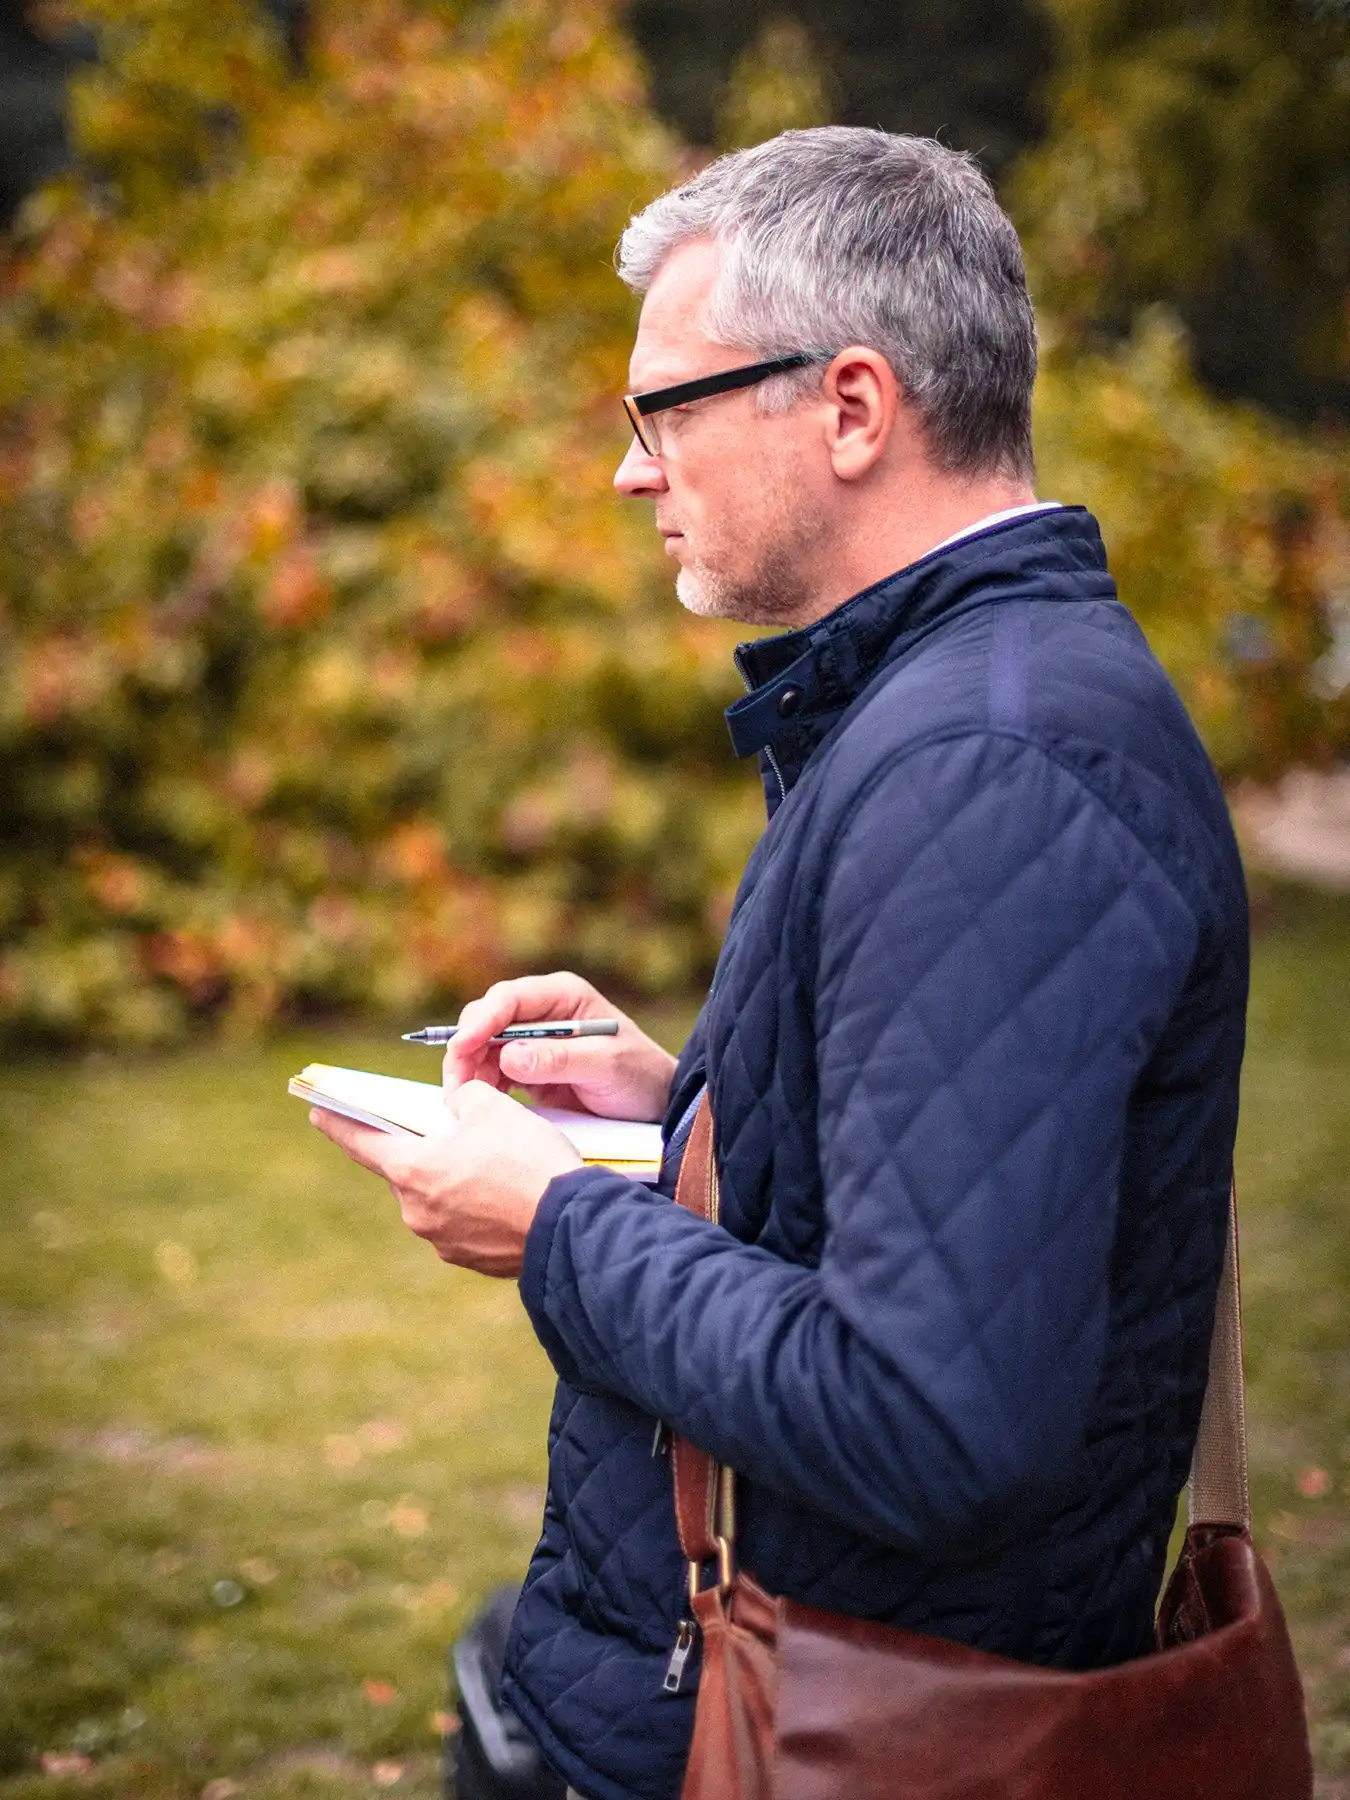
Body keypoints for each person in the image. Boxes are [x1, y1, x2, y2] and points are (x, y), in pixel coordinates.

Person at [312, 128, 1249, 1800]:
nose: (628, 469)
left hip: (837, 1725)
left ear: (849, 406)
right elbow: (969, 1184)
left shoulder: (991, 765)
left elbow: (930, 1416)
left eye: (658, 409)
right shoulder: (957, 708)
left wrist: (554, 1221)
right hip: (793, 1676)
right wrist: (688, 1108)